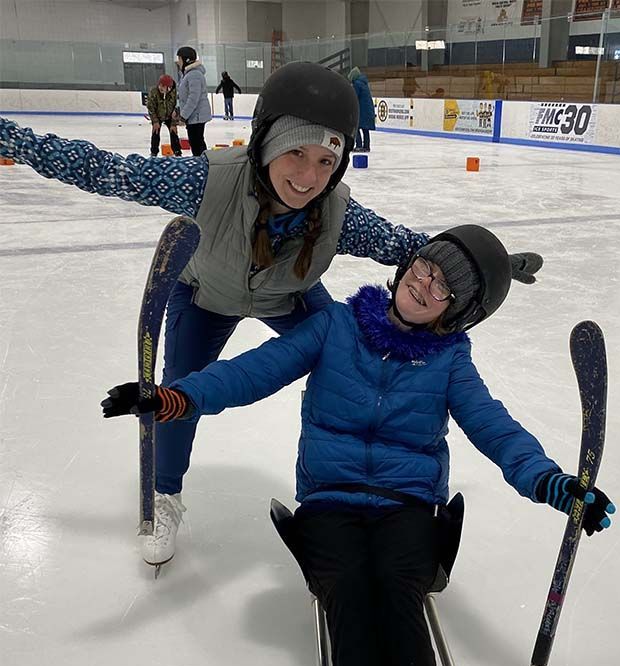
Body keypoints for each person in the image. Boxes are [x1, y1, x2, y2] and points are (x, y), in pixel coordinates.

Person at [101, 224, 615, 666]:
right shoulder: (336, 324)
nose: (424, 285)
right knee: (346, 582)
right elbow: (252, 372)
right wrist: (175, 398)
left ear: (458, 313)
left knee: (398, 582)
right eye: (424, 267)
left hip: (408, 506)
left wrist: (552, 485)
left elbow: (497, 430)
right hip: (329, 502)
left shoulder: (450, 360)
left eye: (444, 287)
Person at [0, 62, 543, 570]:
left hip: (291, 299)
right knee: (180, 392)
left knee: (354, 351)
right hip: (206, 296)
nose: (308, 177)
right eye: (296, 155)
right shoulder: (206, 180)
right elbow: (105, 171)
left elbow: (415, 251)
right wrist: (14, 139)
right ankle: (166, 495)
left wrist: (499, 264)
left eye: (326, 162)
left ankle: (357, 477)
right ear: (265, 144)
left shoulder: (336, 209)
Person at [175, 46, 211, 156]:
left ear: (186, 60)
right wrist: (179, 110)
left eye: (179, 59)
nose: (178, 62)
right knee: (196, 143)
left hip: (197, 116)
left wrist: (183, 116)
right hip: (194, 116)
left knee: (197, 144)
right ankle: (201, 165)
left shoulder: (194, 74)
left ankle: (202, 167)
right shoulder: (188, 74)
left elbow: (193, 98)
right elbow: (184, 96)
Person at [146, 74, 181, 157]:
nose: (161, 87)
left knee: (173, 132)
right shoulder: (153, 92)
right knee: (156, 131)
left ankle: (177, 152)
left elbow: (177, 108)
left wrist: (173, 123)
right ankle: (154, 153)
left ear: (168, 87)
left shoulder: (174, 93)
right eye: (160, 85)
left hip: (170, 116)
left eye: (163, 86)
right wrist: (155, 121)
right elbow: (151, 107)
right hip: (158, 115)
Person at [348, 67, 375, 153]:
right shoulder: (363, 83)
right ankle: (366, 146)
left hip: (361, 110)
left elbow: (353, 96)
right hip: (367, 109)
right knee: (365, 129)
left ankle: (359, 145)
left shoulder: (357, 84)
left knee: (356, 128)